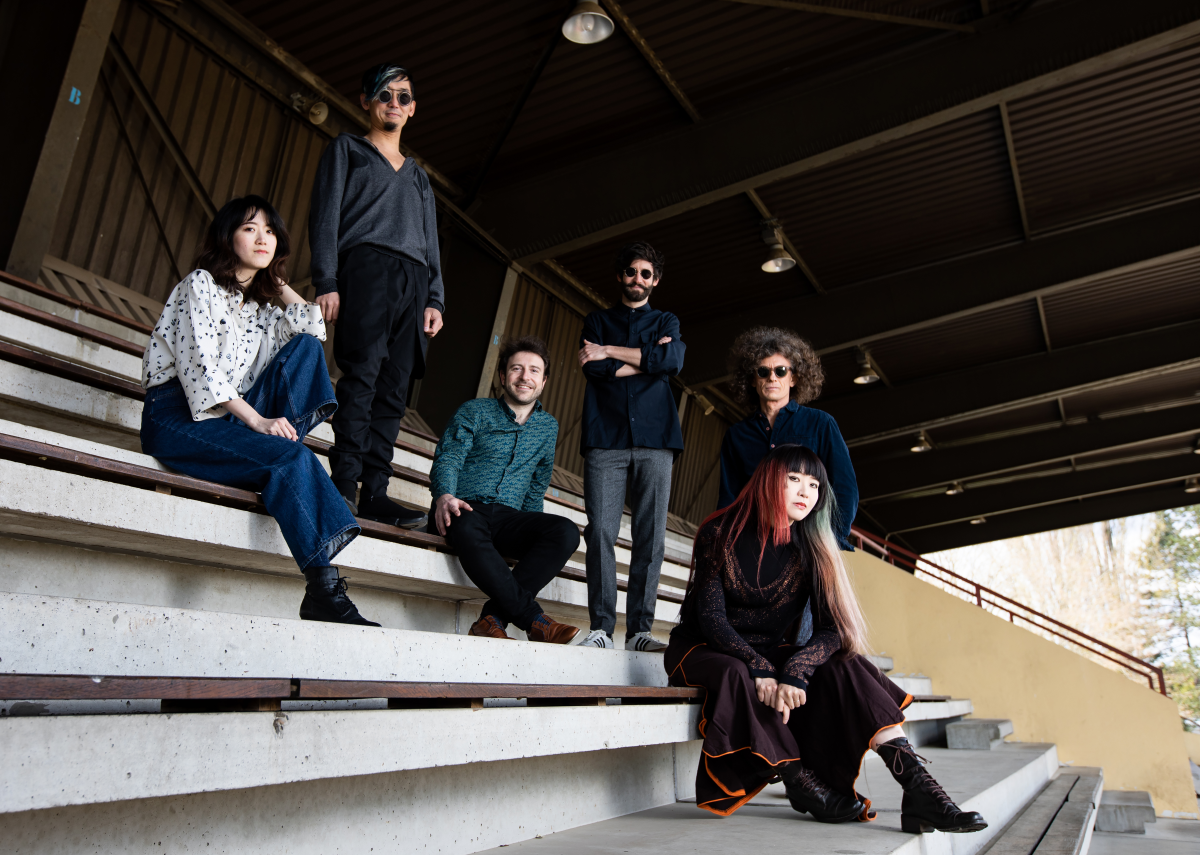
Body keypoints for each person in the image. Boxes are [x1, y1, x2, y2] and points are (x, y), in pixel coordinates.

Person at [666, 444, 987, 835]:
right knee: (736, 671)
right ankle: (800, 782)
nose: (806, 492)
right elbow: (710, 618)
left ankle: (918, 788)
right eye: (795, 480)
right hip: (702, 651)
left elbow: (833, 628)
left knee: (845, 664)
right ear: (769, 480)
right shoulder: (720, 531)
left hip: (766, 655)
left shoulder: (812, 546)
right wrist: (760, 667)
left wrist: (797, 669)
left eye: (815, 485)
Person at [141, 195, 377, 627]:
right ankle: (323, 591)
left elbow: (312, 327)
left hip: (228, 419)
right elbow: (201, 370)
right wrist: (259, 422)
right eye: (250, 228)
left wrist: (277, 278)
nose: (262, 238)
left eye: (270, 231)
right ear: (228, 237)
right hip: (175, 417)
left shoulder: (262, 310)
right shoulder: (199, 284)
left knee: (304, 350)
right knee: (292, 457)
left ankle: (281, 461)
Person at [309, 62, 444, 531]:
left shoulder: (420, 177)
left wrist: (436, 298)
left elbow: (431, 243)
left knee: (395, 388)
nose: (394, 104)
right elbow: (324, 218)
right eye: (385, 95)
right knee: (361, 377)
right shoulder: (347, 149)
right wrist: (327, 280)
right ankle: (344, 483)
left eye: (403, 97)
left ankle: (376, 493)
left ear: (413, 108)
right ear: (367, 101)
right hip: (365, 267)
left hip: (414, 279)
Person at [429, 336, 582, 644]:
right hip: (467, 507)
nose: (525, 376)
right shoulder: (475, 410)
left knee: (566, 531)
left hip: (511, 518)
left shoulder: (548, 427)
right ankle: (533, 620)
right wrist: (444, 494)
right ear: (503, 376)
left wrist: (530, 532)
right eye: (517, 368)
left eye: (534, 371)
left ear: (544, 381)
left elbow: (538, 483)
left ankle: (493, 618)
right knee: (466, 522)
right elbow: (450, 456)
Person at [577, 241, 686, 652]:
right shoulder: (596, 320)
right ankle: (601, 628)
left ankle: (640, 631)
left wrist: (610, 352)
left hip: (657, 441)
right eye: (631, 271)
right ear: (620, 275)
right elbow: (594, 368)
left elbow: (671, 363)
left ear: (655, 280)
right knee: (601, 532)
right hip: (606, 440)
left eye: (645, 273)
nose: (637, 279)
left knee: (651, 538)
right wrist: (642, 360)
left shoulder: (667, 320)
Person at [719, 327, 858, 550]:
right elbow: (729, 497)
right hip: (754, 544)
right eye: (763, 372)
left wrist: (830, 540)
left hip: (807, 543)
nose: (772, 377)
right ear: (753, 381)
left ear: (793, 378)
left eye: (781, 370)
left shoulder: (821, 424)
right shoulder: (736, 435)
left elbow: (843, 488)